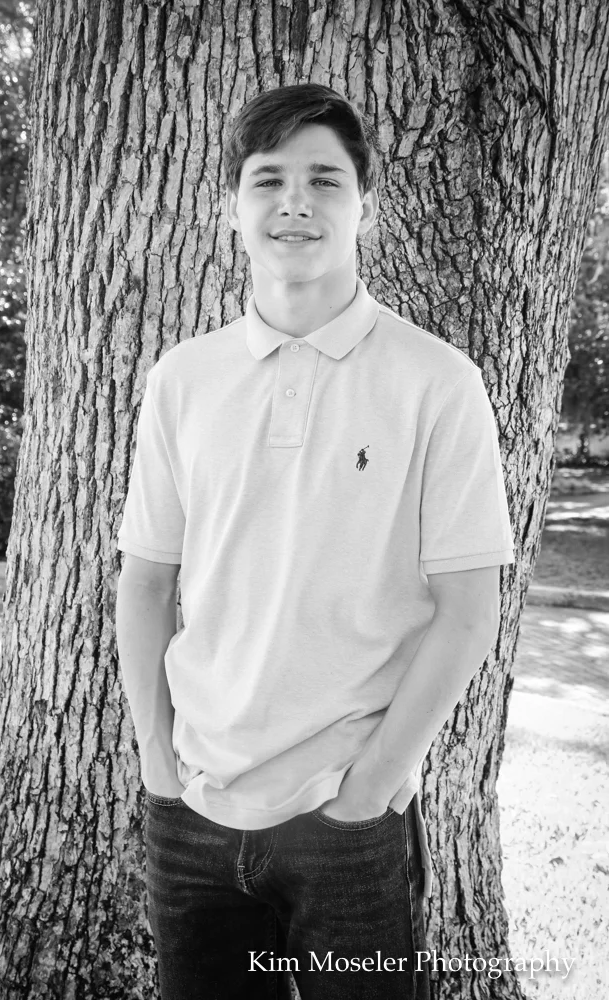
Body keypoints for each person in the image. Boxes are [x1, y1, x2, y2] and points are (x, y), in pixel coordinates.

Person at [115, 82, 515, 1000]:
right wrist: (158, 763)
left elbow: (466, 612)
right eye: (268, 179)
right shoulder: (182, 379)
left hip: (346, 818)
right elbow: (144, 582)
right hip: (192, 811)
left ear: (364, 207)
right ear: (232, 209)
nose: (294, 201)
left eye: (325, 180)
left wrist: (368, 788)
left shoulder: (436, 381)